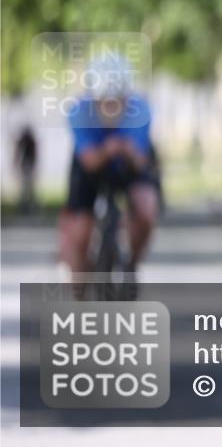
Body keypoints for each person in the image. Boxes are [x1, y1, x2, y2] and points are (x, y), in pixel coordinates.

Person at [58, 52, 160, 285]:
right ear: (93, 98)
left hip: (127, 165)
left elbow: (141, 162)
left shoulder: (140, 110)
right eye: (105, 102)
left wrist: (127, 151)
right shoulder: (78, 112)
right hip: (90, 166)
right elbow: (89, 161)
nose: (111, 108)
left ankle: (132, 264)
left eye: (118, 102)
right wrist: (108, 149)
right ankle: (81, 286)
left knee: (146, 207)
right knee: (80, 232)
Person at [14, 125, 38, 214]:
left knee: (28, 188)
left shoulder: (29, 141)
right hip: (26, 165)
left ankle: (28, 207)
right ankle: (25, 207)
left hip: (28, 165)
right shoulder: (26, 140)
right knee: (25, 188)